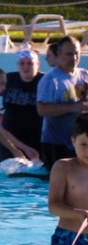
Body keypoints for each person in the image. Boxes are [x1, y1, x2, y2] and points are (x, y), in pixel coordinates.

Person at [47, 114, 88, 245]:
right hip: (68, 241)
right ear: (73, 141)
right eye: (84, 144)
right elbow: (53, 206)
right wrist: (77, 213)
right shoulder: (63, 167)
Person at [35, 36, 88, 169]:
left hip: (78, 142)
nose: (74, 58)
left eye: (76, 53)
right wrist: (73, 107)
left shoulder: (84, 75)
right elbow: (42, 109)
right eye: (69, 54)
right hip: (56, 144)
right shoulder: (51, 80)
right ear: (58, 55)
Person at [0, 48, 44, 163]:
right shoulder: (8, 79)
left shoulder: (44, 81)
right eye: (22, 63)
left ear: (37, 64)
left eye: (30, 63)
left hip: (36, 139)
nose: (26, 67)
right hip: (10, 140)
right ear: (18, 65)